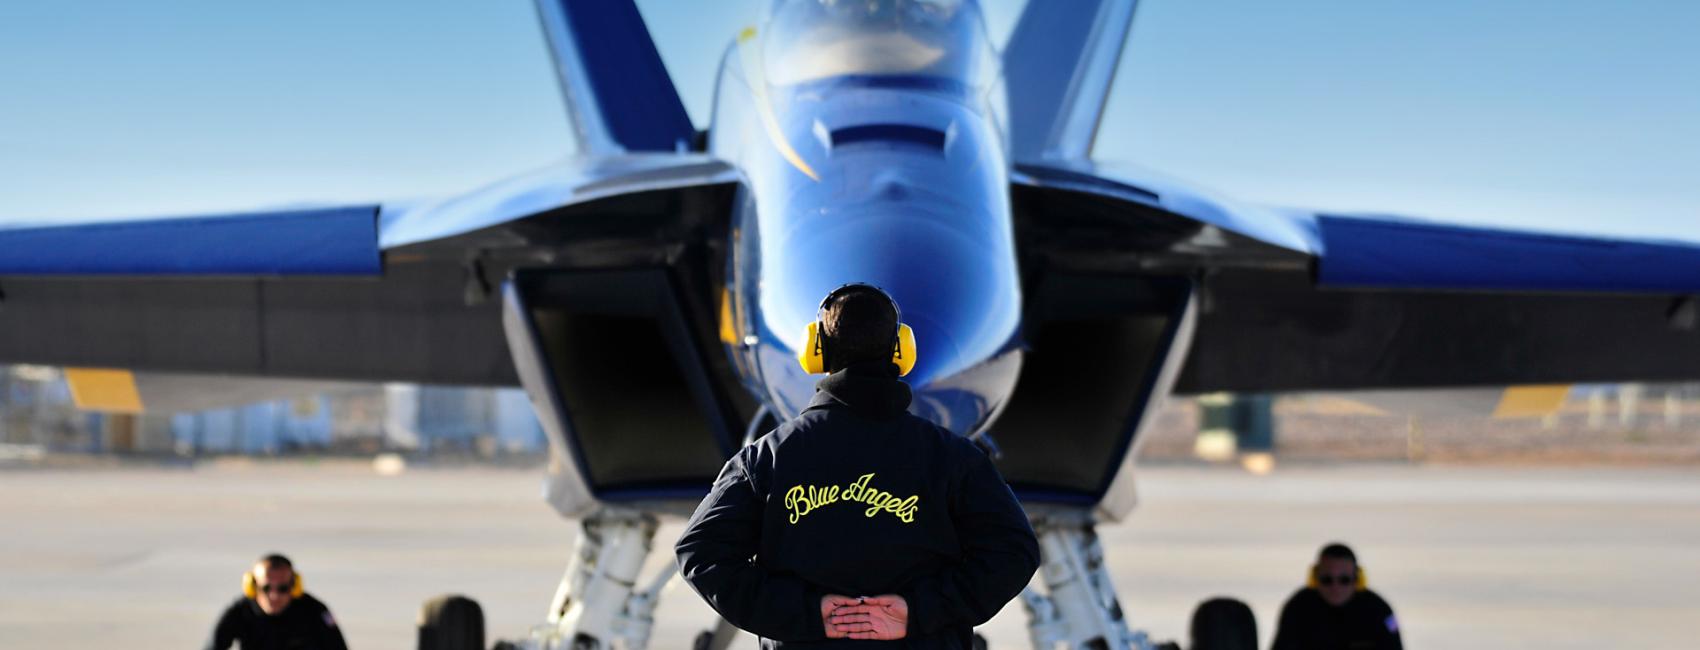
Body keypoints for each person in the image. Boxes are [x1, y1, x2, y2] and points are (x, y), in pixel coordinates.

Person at [676, 283, 1040, 648]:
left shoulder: (765, 458)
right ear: (901, 351)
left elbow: (700, 552)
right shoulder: (956, 458)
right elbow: (1014, 552)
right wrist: (918, 611)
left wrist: (807, 614)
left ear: (815, 350)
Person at [1271, 543, 1402, 650]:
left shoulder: (1379, 611)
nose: (1335, 587)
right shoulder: (1297, 608)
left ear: (1357, 579)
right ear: (1315, 577)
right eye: (1327, 579)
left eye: (1344, 580)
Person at [206, 554, 348, 650]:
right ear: (252, 586)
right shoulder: (239, 612)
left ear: (294, 586)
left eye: (283, 588)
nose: (274, 595)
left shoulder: (315, 611)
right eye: (266, 588)